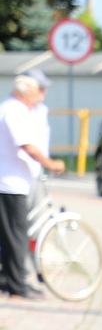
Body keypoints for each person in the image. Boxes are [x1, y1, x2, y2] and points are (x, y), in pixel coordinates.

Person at [0, 75, 64, 298]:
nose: (39, 98)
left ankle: (7, 279)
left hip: (12, 183)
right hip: (10, 184)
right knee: (17, 235)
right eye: (36, 93)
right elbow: (27, 145)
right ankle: (18, 286)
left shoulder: (11, 108)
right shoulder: (15, 110)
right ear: (23, 93)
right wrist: (50, 163)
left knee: (9, 235)